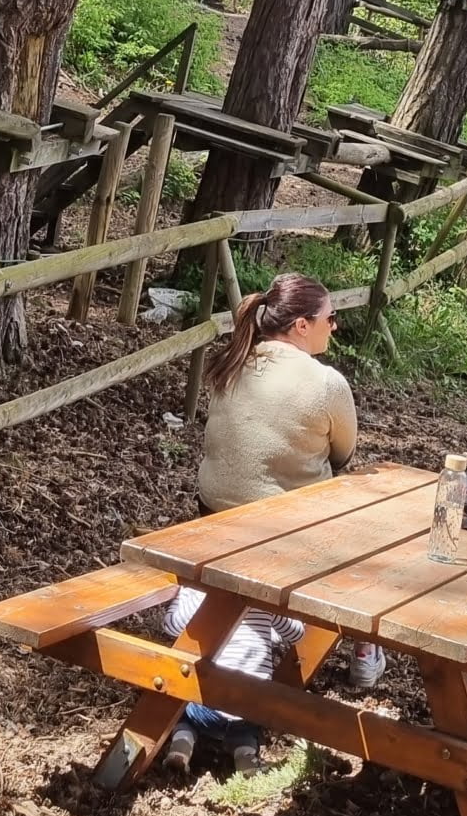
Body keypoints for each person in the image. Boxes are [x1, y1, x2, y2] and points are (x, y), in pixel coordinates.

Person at [158, 273, 375, 776]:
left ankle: (191, 720)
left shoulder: (233, 363)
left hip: (211, 526)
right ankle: (359, 651)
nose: (335, 327)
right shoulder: (326, 384)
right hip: (283, 541)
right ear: (302, 326)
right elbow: (345, 454)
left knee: (225, 614)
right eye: (329, 319)